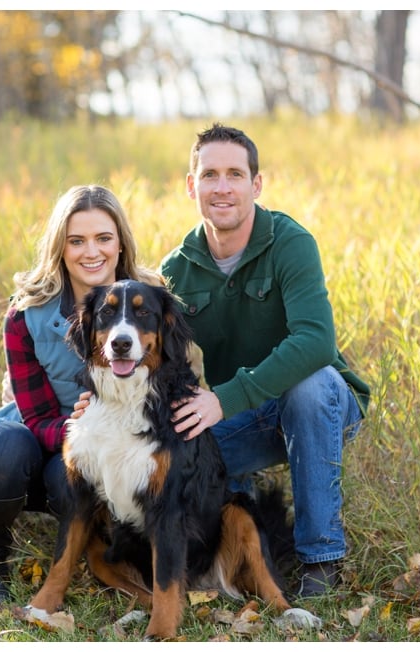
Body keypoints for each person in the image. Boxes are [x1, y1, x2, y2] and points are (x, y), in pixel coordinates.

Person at [157, 123, 371, 598]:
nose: (223, 187)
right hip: (241, 414)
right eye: (210, 174)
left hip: (325, 404)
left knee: (309, 387)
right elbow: (141, 339)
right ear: (191, 186)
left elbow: (316, 343)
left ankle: (321, 560)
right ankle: (229, 556)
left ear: (256, 184)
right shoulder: (175, 270)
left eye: (235, 174)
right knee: (176, 440)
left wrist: (224, 399)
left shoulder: (290, 243)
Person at [0, 185, 164, 604]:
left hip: (93, 449)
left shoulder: (150, 301)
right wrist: (80, 425)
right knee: (4, 449)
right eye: (76, 241)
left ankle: (99, 559)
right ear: (60, 247)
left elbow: (172, 387)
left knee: (71, 479)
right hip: (38, 431)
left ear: (120, 242)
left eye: (103, 238)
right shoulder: (27, 312)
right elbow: (34, 418)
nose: (91, 252)